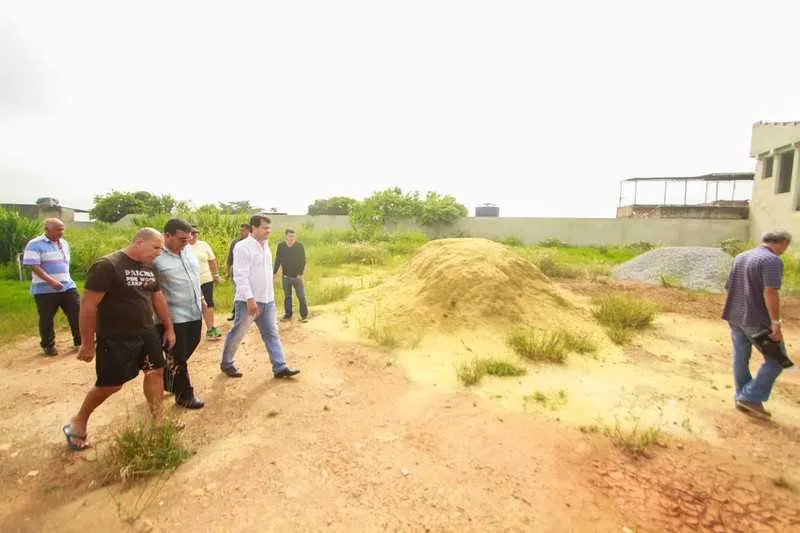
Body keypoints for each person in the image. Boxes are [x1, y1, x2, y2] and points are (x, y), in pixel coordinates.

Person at [62, 228, 176, 451]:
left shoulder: (149, 266)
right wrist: (87, 343)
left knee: (155, 372)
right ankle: (79, 420)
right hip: (116, 338)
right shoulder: (107, 266)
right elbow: (88, 306)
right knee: (110, 385)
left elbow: (157, 297)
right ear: (139, 242)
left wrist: (169, 327)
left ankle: (159, 421)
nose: (158, 253)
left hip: (147, 333)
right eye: (155, 247)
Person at [722, 230, 793, 420]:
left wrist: (727, 312)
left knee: (740, 358)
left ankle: (742, 398)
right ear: (783, 243)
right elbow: (770, 292)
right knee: (777, 360)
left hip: (736, 317)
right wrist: (776, 323)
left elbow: (729, 287)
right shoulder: (771, 260)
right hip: (757, 320)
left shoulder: (741, 257)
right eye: (786, 246)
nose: (784, 250)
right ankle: (750, 397)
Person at [220, 214, 300, 379]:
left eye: (269, 228)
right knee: (238, 333)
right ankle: (226, 364)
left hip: (267, 300)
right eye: (265, 228)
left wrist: (271, 297)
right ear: (254, 228)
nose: (268, 231)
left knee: (271, 333)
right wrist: (250, 299)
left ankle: (280, 367)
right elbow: (240, 276)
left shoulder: (266, 246)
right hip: (248, 302)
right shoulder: (243, 247)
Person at [153, 219, 205, 409]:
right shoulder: (156, 256)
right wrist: (164, 321)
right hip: (172, 316)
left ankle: (168, 378)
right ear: (167, 236)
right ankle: (184, 395)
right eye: (182, 239)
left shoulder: (187, 250)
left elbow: (193, 277)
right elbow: (153, 291)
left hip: (194, 311)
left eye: (188, 239)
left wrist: (202, 299)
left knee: (192, 343)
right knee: (178, 356)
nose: (186, 243)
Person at [22, 218, 81, 356]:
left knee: (77, 312)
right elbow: (34, 266)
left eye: (62, 229)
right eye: (58, 229)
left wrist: (63, 280)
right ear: (47, 230)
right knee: (47, 318)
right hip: (45, 289)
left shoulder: (64, 243)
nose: (62, 232)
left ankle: (80, 341)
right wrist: (51, 281)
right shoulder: (35, 244)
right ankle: (48, 345)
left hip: (67, 286)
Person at [189, 226, 221, 340]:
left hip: (206, 278)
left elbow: (212, 260)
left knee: (208, 303)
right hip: (192, 281)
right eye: (192, 233)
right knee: (195, 305)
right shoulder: (184, 247)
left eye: (196, 233)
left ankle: (211, 328)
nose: (194, 235)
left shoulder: (203, 245)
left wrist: (216, 275)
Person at [274, 227, 309, 322]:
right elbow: (278, 259)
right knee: (287, 296)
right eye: (290, 236)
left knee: (301, 296)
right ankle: (288, 315)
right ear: (286, 236)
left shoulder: (299, 246)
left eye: (293, 236)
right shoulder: (281, 246)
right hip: (285, 276)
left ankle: (304, 316)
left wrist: (300, 273)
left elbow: (303, 260)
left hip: (297, 277)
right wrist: (274, 272)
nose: (292, 238)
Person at [226, 223, 251, 321]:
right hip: (237, 271)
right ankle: (235, 313)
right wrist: (228, 271)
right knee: (238, 292)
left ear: (249, 231)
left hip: (250, 271)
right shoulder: (235, 242)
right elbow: (230, 257)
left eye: (243, 230)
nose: (241, 232)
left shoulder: (253, 242)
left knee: (251, 291)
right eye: (240, 230)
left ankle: (252, 313)